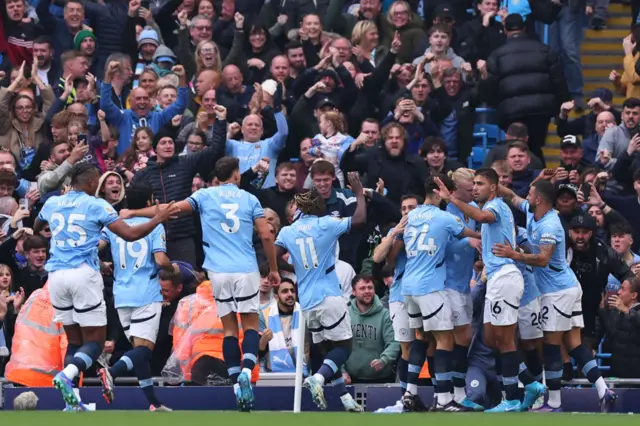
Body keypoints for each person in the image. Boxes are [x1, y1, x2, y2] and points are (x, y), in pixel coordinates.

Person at [32, 162, 175, 409]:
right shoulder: (97, 205)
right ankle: (67, 376)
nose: (98, 185)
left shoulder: (53, 202)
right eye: (96, 181)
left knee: (75, 341)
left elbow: (37, 226)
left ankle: (72, 402)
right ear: (89, 183)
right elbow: (130, 235)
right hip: (85, 276)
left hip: (55, 275)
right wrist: (158, 218)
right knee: (96, 343)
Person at [161, 156, 279, 411]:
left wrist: (138, 212)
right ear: (236, 175)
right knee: (248, 325)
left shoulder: (204, 195)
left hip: (217, 271)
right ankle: (247, 369)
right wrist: (273, 268)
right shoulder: (249, 199)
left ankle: (236, 382)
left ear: (216, 177)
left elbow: (173, 209)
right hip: (245, 268)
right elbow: (266, 234)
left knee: (228, 330)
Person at [497, 180, 618, 412]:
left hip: (558, 292)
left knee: (551, 345)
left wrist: (514, 254)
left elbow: (542, 259)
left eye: (531, 193)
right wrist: (494, 186)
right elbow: (512, 196)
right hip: (567, 287)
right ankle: (604, 390)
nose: (527, 195)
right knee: (573, 343)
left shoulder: (550, 225)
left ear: (539, 199)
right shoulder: (534, 212)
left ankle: (553, 403)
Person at [434, 168, 527, 412]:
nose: (475, 188)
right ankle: (527, 383)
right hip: (498, 278)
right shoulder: (497, 205)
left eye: (480, 184)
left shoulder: (494, 207)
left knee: (503, 340)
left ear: (493, 188)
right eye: (473, 183)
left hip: (505, 277)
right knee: (490, 338)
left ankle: (514, 398)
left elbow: (482, 216)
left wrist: (451, 199)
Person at [274, 172, 367, 412]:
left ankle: (344, 398)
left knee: (326, 349)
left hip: (306, 300)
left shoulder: (287, 231)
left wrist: (291, 267)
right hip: (328, 295)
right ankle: (318, 379)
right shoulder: (325, 223)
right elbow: (358, 220)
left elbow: (272, 257)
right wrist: (358, 193)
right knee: (344, 347)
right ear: (318, 206)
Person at [399, 174, 478, 412]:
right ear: (440, 190)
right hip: (430, 286)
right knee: (445, 340)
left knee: (421, 339)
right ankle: (445, 400)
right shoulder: (445, 218)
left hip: (408, 287)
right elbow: (471, 235)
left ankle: (410, 392)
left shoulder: (410, 215)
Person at [97, 183, 179, 412]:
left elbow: (95, 248)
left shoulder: (115, 225)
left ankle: (153, 403)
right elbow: (162, 261)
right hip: (146, 293)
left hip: (121, 295)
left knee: (138, 352)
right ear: (149, 203)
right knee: (144, 351)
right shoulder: (154, 226)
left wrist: (101, 264)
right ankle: (109, 373)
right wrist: (176, 270)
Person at [371, 194, 419, 405]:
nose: (407, 212)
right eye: (404, 208)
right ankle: (406, 396)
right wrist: (393, 235)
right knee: (406, 346)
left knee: (430, 343)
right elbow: (377, 257)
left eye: (411, 208)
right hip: (399, 294)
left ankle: (439, 395)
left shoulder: (429, 230)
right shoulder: (395, 232)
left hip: (424, 292)